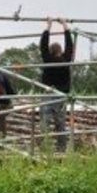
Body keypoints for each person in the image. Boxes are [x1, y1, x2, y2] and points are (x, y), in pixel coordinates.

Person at [39, 17, 75, 153]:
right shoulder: (65, 60)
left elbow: (42, 45)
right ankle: (61, 149)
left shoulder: (47, 59)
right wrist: (65, 25)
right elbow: (70, 45)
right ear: (60, 50)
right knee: (60, 124)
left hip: (48, 93)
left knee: (45, 124)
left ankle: (45, 148)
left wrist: (48, 26)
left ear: (50, 51)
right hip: (61, 95)